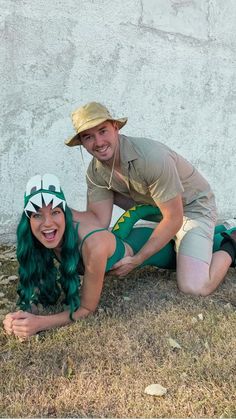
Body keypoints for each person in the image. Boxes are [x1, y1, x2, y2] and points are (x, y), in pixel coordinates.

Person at [65, 101, 236, 296]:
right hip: (157, 209)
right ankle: (213, 234)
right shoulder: (95, 172)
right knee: (181, 249)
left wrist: (138, 259)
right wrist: (60, 211)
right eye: (88, 137)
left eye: (103, 131)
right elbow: (97, 220)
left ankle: (231, 240)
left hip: (192, 208)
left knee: (194, 286)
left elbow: (173, 218)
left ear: (115, 128)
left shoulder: (151, 158)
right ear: (81, 142)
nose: (98, 142)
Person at [3, 174, 177, 340]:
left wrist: (39, 324)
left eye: (55, 212)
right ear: (29, 220)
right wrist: (20, 316)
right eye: (37, 215)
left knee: (187, 266)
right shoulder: (40, 235)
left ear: (64, 213)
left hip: (152, 245)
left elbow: (86, 308)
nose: (47, 222)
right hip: (120, 239)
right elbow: (35, 288)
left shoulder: (94, 246)